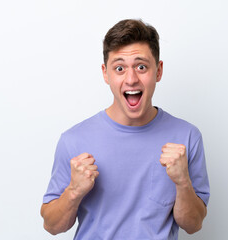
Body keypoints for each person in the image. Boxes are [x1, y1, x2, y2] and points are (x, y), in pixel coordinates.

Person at [40, 19, 210, 240]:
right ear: (106, 73)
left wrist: (182, 182)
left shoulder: (187, 138)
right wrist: (74, 191)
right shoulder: (74, 141)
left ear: (158, 71)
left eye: (141, 67)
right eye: (119, 68)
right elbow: (52, 226)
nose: (131, 79)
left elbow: (193, 224)